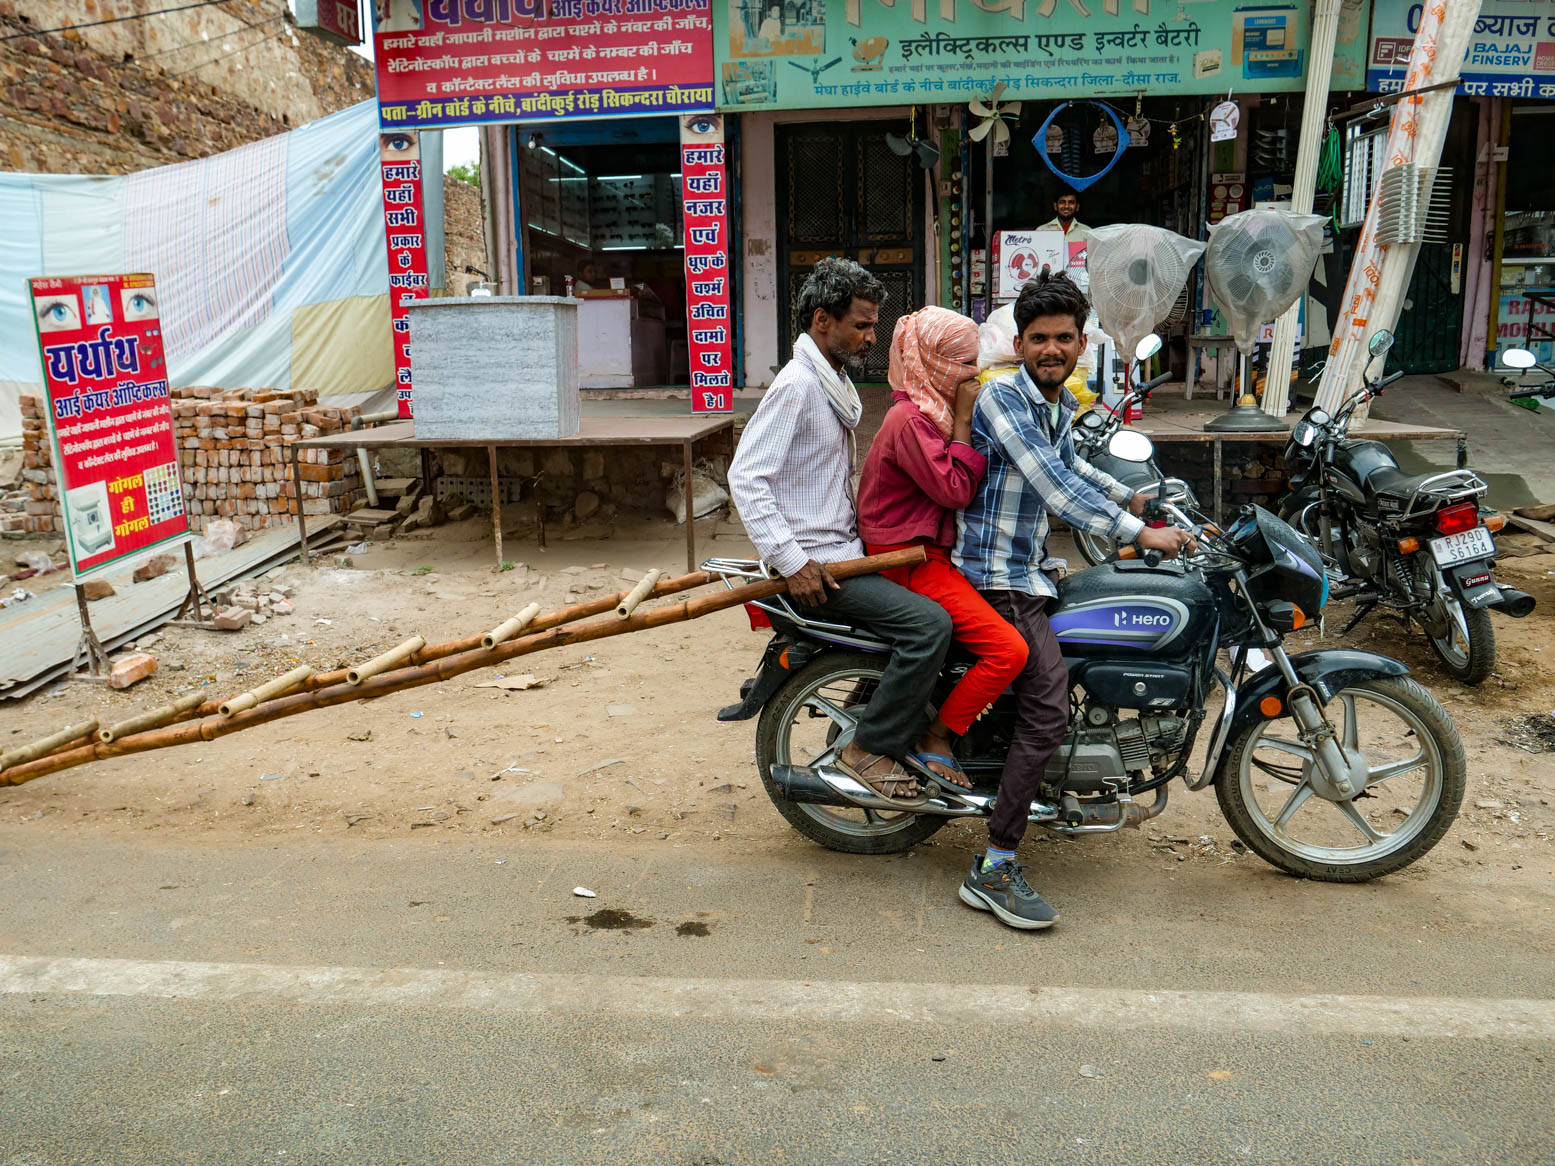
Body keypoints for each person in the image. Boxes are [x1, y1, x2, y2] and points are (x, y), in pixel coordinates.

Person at [953, 273, 1193, 930]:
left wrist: (1135, 497)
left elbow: (1076, 466)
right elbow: (1054, 486)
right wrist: (1138, 533)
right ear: (1021, 344)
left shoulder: (1052, 406)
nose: (1051, 348)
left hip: (1030, 569)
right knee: (1047, 709)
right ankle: (995, 864)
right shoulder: (1003, 401)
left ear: (1081, 343)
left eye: (1062, 337)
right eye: (1039, 338)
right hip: (995, 576)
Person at [729, 258, 953, 808]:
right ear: (823, 320)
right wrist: (792, 562)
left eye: (876, 325)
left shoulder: (832, 382)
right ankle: (868, 749)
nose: (872, 337)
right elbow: (746, 477)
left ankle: (873, 708)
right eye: (862, 324)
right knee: (930, 627)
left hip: (843, 552)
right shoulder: (799, 385)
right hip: (821, 565)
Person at [856, 307, 1029, 791]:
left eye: (976, 363)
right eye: (962, 365)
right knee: (1007, 651)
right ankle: (937, 737)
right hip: (907, 560)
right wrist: (968, 419)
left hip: (929, 553)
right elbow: (954, 490)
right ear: (932, 363)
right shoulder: (911, 419)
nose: (972, 375)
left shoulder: (929, 410)